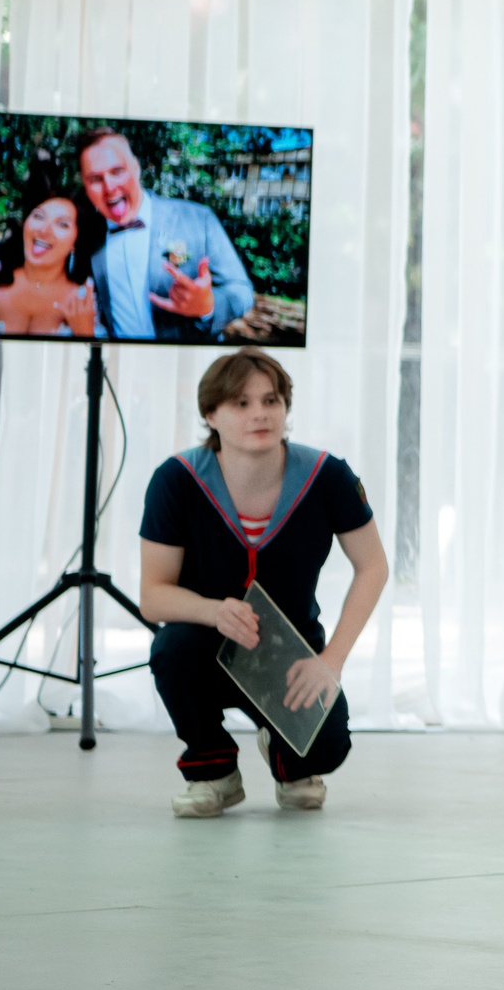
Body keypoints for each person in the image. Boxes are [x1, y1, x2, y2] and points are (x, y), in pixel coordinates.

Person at [138, 348, 387, 817]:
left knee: (328, 748)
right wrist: (214, 611)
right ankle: (213, 773)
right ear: (211, 415)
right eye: (241, 403)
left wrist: (331, 661)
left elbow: (373, 567)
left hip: (289, 656)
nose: (260, 414)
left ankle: (287, 760)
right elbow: (153, 596)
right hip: (206, 649)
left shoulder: (327, 476)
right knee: (172, 649)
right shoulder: (177, 480)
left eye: (271, 400)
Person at [78, 127, 255, 342]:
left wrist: (208, 305)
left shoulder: (198, 218)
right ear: (85, 185)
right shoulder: (85, 235)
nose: (109, 187)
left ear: (136, 168)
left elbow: (241, 292)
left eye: (117, 171)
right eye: (95, 179)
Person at [0, 183, 102, 337]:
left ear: (76, 242)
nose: (44, 230)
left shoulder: (83, 302)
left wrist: (85, 333)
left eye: (62, 224)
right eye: (39, 216)